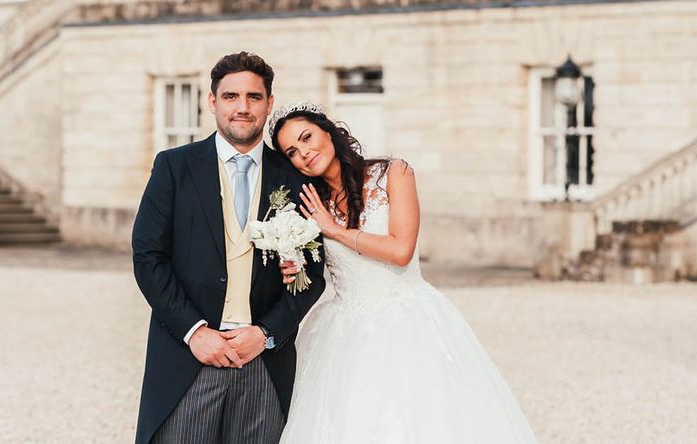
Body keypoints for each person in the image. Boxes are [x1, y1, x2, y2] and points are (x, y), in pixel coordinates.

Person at [270, 102, 539, 443]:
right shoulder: (308, 202)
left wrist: (333, 229)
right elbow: (312, 270)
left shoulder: (394, 174)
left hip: (408, 321)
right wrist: (293, 266)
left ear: (329, 131)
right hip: (343, 334)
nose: (304, 153)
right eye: (292, 152)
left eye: (307, 138)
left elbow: (400, 251)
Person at [132, 53, 325, 444]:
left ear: (269, 104)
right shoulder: (173, 166)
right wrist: (194, 331)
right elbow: (148, 257)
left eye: (254, 97)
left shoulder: (295, 177)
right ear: (212, 101)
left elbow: (313, 274)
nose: (242, 107)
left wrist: (267, 333)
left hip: (263, 361)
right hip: (189, 358)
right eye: (231, 96)